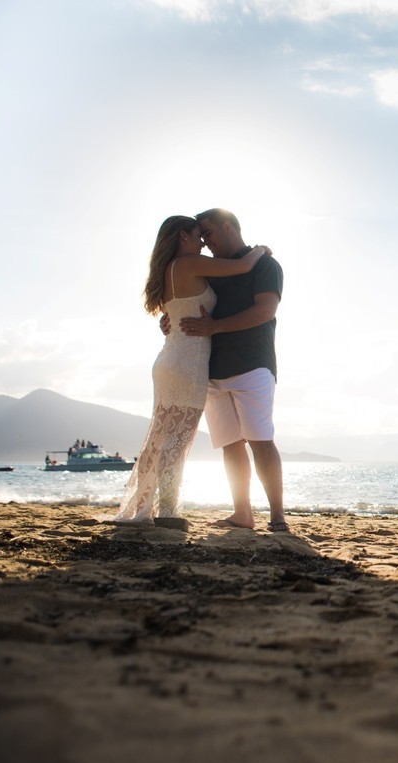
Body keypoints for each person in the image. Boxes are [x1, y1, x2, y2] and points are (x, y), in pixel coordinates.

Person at [114, 215, 271, 528]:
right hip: (188, 365)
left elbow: (173, 314)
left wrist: (166, 321)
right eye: (198, 235)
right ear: (182, 235)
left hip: (169, 360)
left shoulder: (169, 268)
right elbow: (243, 267)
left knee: (159, 439)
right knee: (176, 441)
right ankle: (168, 514)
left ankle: (142, 507)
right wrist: (261, 250)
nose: (202, 242)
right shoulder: (189, 263)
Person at [173, 208, 287, 533]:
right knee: (230, 444)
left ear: (228, 226)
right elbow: (186, 301)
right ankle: (243, 514)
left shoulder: (265, 264)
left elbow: (265, 311)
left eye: (208, 234)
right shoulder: (211, 270)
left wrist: (214, 326)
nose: (206, 243)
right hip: (210, 369)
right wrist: (169, 319)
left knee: (261, 440)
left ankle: (278, 517)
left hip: (252, 364)